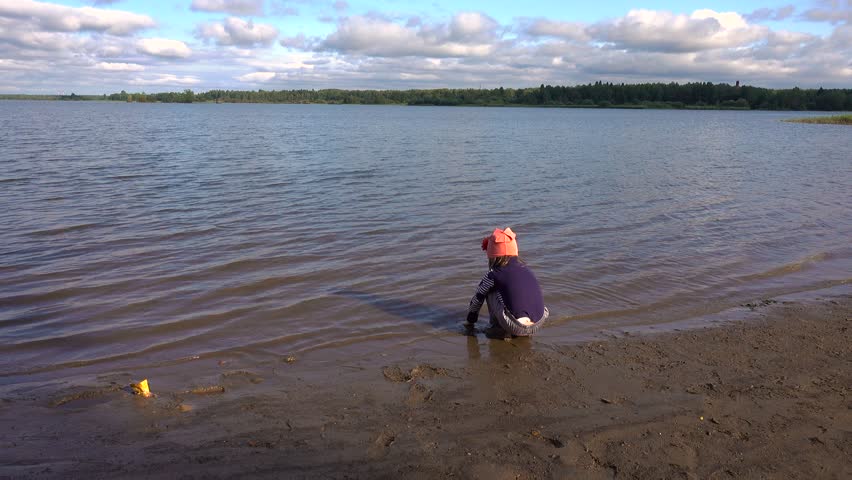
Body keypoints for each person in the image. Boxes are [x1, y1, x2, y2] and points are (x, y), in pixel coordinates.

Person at [465, 227, 548, 337]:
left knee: (488, 290)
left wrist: (471, 320)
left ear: (492, 257)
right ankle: (523, 329)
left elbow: (477, 299)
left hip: (516, 326)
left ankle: (498, 328)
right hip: (539, 321)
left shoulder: (493, 274)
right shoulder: (526, 269)